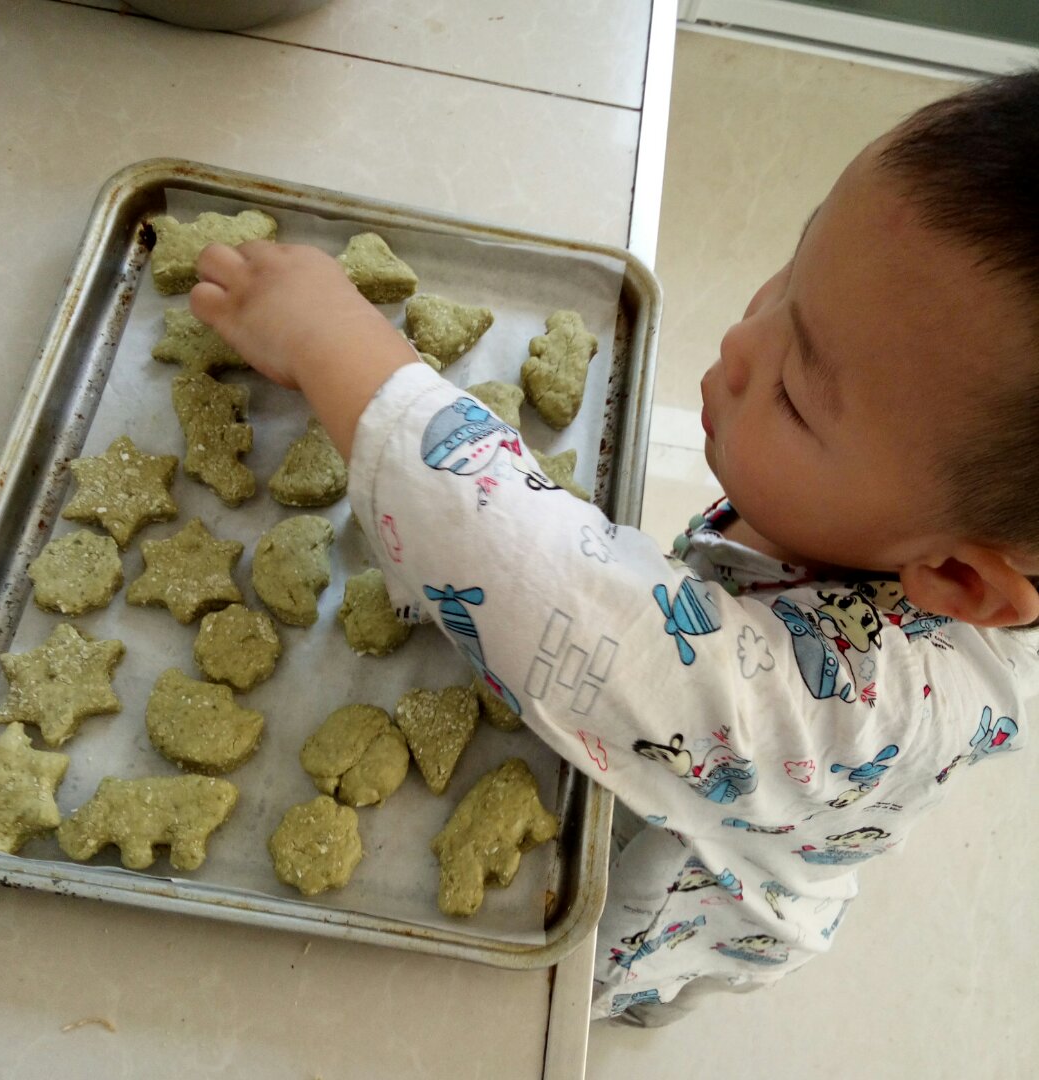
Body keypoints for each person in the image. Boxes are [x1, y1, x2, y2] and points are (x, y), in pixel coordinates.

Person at [189, 69, 1039, 1025]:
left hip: (692, 902)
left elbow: (569, 609)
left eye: (797, 394)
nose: (737, 345)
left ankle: (639, 1006)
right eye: (789, 278)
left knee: (601, 990)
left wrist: (337, 348)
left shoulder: (861, 704)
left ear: (960, 579)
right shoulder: (917, 517)